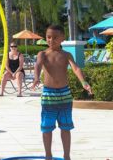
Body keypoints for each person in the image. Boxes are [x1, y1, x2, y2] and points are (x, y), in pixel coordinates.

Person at [31, 25, 92, 160]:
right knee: (47, 127)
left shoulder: (66, 55)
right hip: (48, 95)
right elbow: (38, 65)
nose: (51, 40)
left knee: (66, 127)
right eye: (48, 37)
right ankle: (48, 155)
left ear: (62, 38)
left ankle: (67, 156)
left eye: (55, 37)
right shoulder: (43, 54)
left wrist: (84, 82)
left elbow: (76, 68)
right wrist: (36, 77)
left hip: (64, 95)